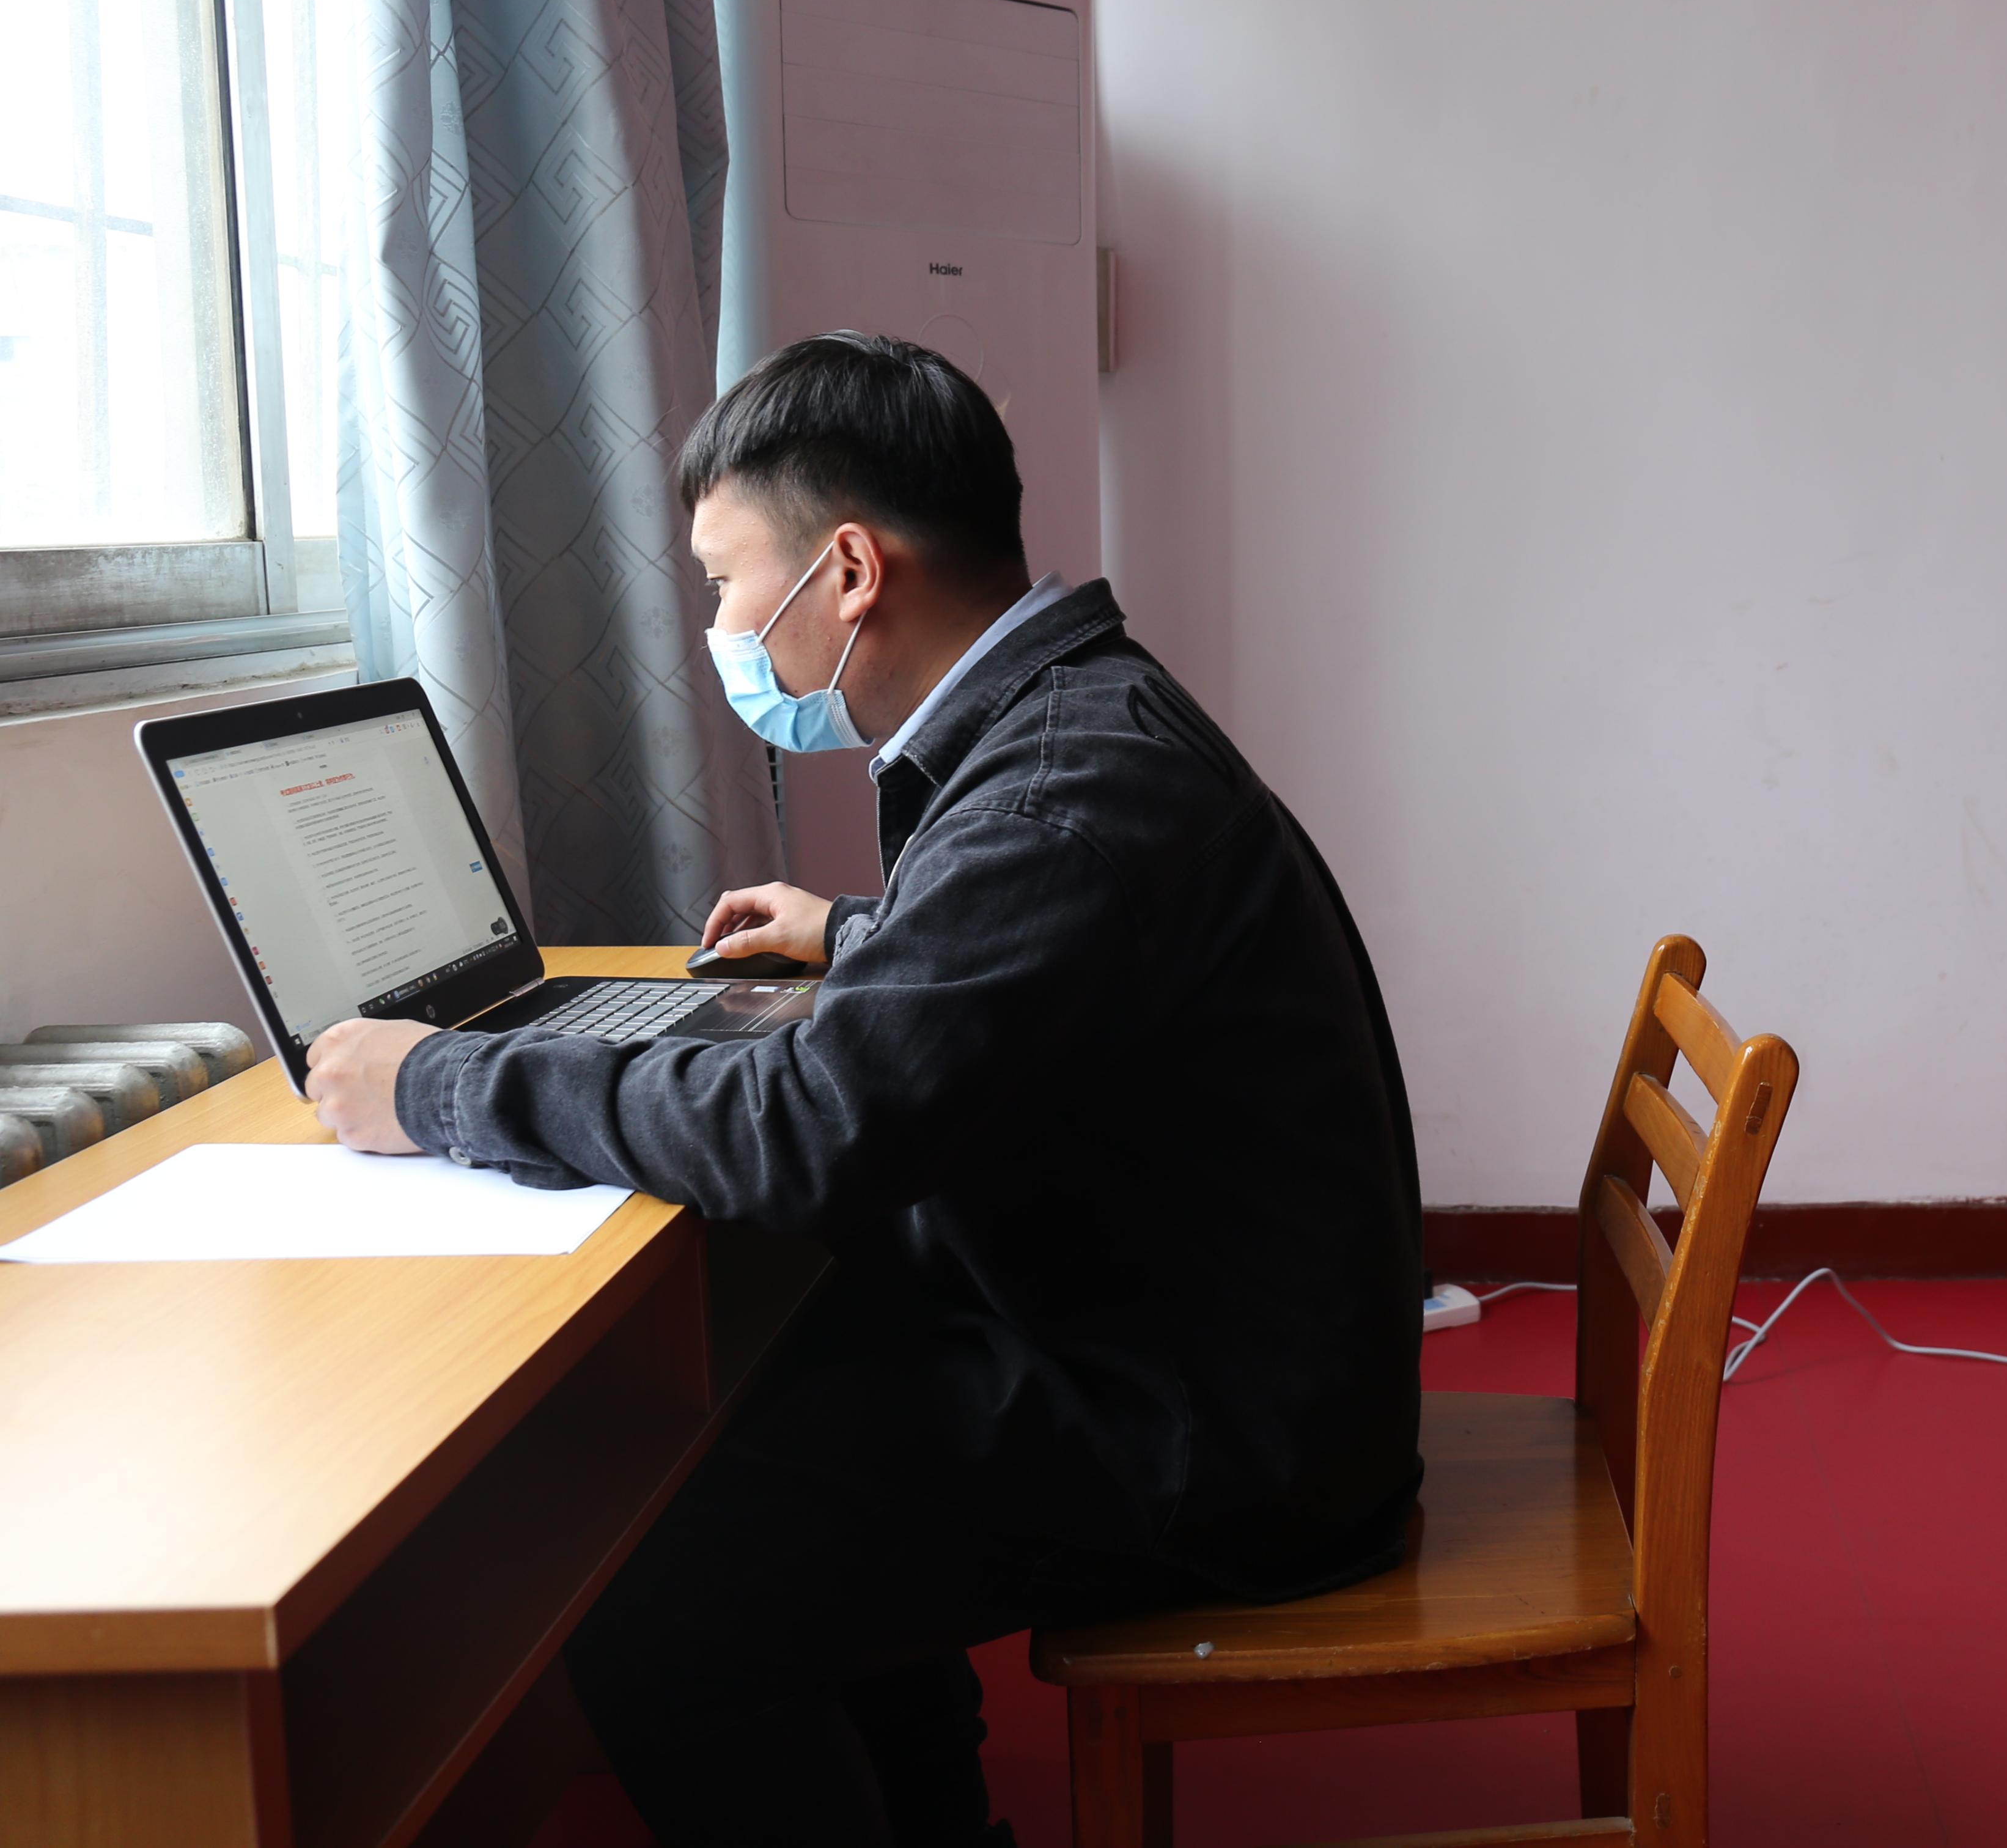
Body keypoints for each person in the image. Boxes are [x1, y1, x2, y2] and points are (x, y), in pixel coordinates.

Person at [303, 332, 1424, 1848]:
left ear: (845, 570)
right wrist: (865, 936)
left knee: (656, 1589)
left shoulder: (1059, 794)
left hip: (1220, 1444)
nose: (720, 625)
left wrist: (443, 1081)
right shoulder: (1063, 720)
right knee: (787, 1396)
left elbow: (810, 1135)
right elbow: (1041, 970)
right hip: (1191, 1349)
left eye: (724, 581)